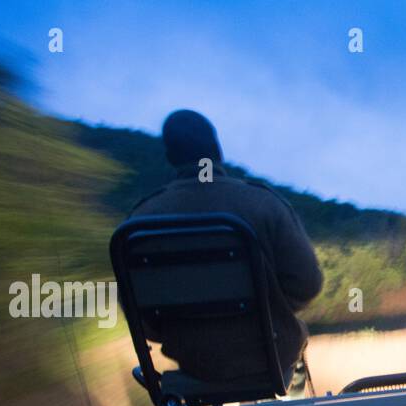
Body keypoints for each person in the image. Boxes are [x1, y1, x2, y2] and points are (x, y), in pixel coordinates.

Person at [129, 109, 323, 387]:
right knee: (295, 357)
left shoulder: (140, 220)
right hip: (274, 359)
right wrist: (270, 307)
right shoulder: (264, 204)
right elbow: (308, 284)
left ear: (171, 157)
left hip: (194, 364)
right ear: (218, 150)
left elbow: (141, 317)